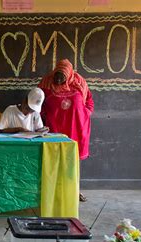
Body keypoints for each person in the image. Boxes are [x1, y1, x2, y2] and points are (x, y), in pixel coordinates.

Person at [38, 59, 94, 202]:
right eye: (56, 76)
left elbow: (89, 101)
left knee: (73, 162)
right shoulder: (46, 83)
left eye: (62, 78)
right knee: (54, 160)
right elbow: (38, 101)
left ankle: (75, 191)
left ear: (69, 75)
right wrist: (43, 116)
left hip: (76, 128)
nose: (58, 81)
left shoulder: (80, 82)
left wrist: (85, 113)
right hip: (55, 128)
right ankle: (54, 191)